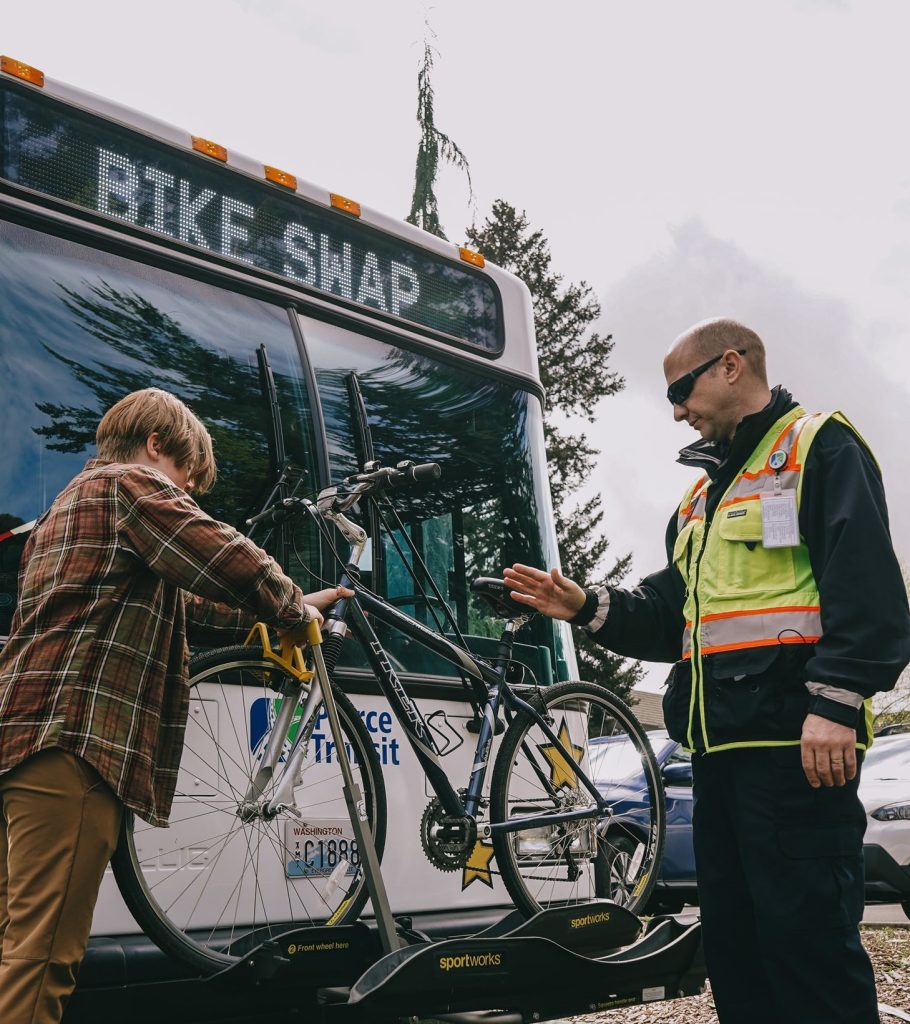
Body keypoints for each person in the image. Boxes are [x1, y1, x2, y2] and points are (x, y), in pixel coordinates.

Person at [504, 318, 910, 1024]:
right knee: (738, 955)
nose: (675, 410)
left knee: (807, 949)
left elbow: (871, 593)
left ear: (729, 366)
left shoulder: (819, 448)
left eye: (679, 389)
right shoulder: (700, 501)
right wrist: (584, 605)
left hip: (797, 757)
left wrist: (837, 705)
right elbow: (673, 616)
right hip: (717, 762)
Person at [0, 388, 350, 1024]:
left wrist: (275, 611)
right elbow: (222, 554)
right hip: (73, 747)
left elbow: (178, 597)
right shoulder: (130, 484)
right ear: (158, 444)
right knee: (43, 959)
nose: (186, 495)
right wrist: (291, 607)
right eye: (187, 479)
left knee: (11, 946)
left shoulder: (63, 512)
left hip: (21, 742)